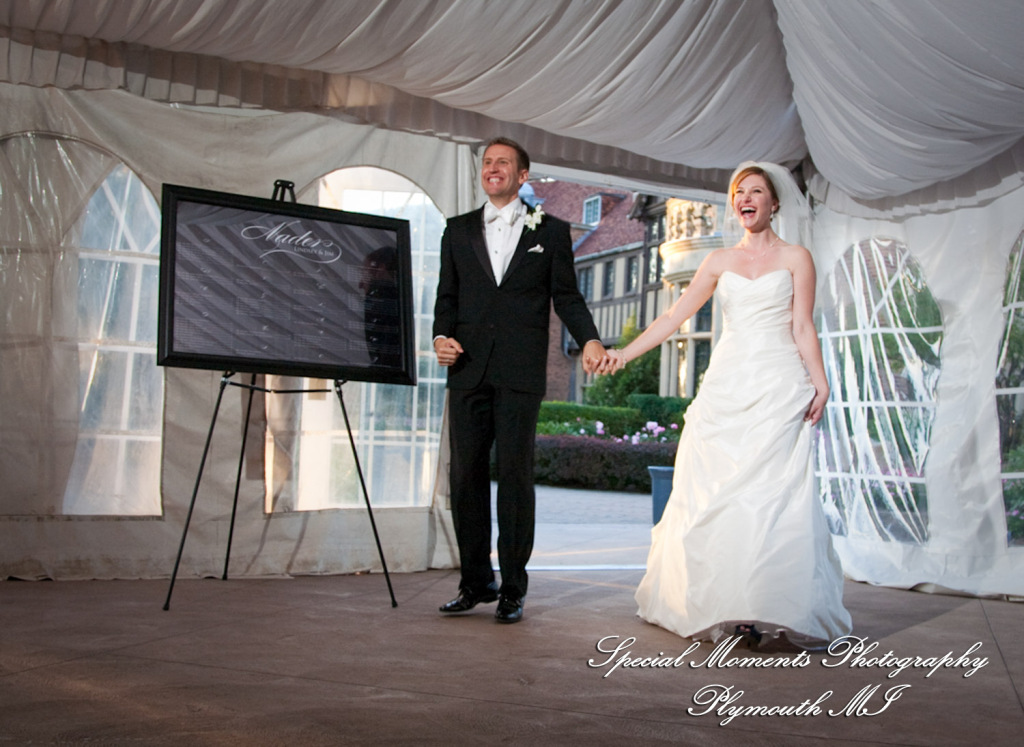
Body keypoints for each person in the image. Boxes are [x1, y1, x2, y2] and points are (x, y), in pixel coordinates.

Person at [600, 162, 851, 649]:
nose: (746, 198)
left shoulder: (798, 257)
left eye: (756, 191)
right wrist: (622, 354)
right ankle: (723, 605)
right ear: (734, 204)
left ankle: (769, 605)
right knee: (718, 493)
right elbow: (673, 315)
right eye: (740, 192)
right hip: (727, 388)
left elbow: (802, 327)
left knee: (772, 497)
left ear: (774, 203)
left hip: (779, 387)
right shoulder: (717, 262)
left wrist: (820, 383)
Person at [433, 137, 605, 624]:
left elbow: (567, 297)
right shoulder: (457, 230)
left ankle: (512, 588)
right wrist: (440, 336)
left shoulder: (550, 231)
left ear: (523, 175)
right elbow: (447, 296)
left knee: (514, 477)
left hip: (520, 371)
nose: (493, 168)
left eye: (503, 163)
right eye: (487, 162)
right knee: (464, 477)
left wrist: (590, 339)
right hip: (467, 369)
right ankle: (474, 581)